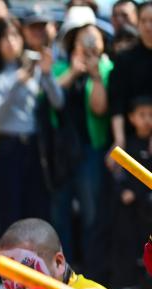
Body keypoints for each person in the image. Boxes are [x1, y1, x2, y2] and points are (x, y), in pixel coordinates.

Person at [0, 18, 62, 229]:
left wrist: (46, 73)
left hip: (35, 145)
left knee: (36, 209)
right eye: (4, 37)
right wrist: (18, 82)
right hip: (8, 145)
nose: (10, 42)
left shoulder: (32, 66)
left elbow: (58, 101)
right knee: (9, 210)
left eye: (15, 36)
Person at [49, 6, 113, 270]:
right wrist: (74, 72)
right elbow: (48, 97)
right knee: (60, 213)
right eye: (80, 38)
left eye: (92, 38)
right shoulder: (60, 68)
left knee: (91, 213)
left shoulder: (106, 68)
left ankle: (92, 270)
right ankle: (61, 271)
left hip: (91, 151)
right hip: (61, 152)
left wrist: (95, 74)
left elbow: (100, 109)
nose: (87, 45)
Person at [108, 96, 152, 289]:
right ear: (131, 118)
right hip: (131, 208)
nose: (147, 120)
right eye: (142, 115)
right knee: (128, 243)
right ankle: (129, 285)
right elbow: (117, 173)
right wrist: (123, 191)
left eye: (150, 115)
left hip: (148, 207)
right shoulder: (128, 144)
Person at [108, 3, 152, 163]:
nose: (148, 27)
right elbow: (117, 101)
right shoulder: (124, 58)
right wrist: (119, 140)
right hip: (130, 140)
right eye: (143, 21)